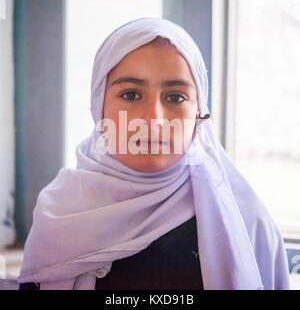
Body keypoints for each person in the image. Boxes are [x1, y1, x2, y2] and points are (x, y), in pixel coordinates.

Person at [18, 17, 290, 290]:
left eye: (174, 97)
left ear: (199, 113)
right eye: (131, 95)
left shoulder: (246, 226)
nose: (154, 119)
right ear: (99, 106)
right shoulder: (60, 214)